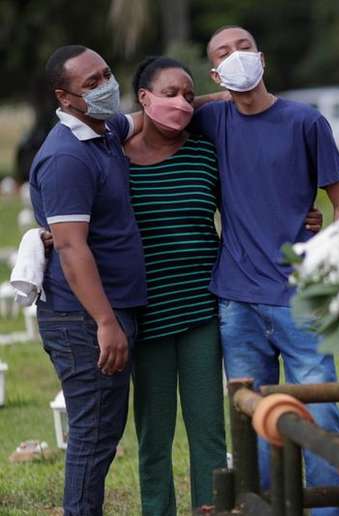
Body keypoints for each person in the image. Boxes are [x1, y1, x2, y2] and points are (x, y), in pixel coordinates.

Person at [124, 56, 325, 515]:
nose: (180, 103)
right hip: (147, 313)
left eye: (188, 95)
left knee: (210, 431)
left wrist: (303, 215)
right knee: (154, 434)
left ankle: (209, 509)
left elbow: (251, 201)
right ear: (143, 98)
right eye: (169, 93)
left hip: (201, 307)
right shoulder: (117, 158)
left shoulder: (202, 152)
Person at [195, 26, 339, 515]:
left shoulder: (305, 121)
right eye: (223, 53)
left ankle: (329, 508)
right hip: (237, 298)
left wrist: (327, 258)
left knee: (320, 409)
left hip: (298, 294)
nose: (236, 56)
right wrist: (217, 92)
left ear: (261, 57)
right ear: (215, 73)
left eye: (243, 48)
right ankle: (265, 506)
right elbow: (169, 106)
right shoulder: (214, 120)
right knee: (256, 414)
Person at [29, 45, 146, 516]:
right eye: (91, 84)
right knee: (93, 435)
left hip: (108, 308)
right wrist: (105, 322)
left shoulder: (103, 132)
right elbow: (73, 248)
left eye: (106, 75)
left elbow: (142, 116)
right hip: (83, 318)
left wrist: (209, 102)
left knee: (102, 432)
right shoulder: (66, 158)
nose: (105, 87)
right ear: (66, 97)